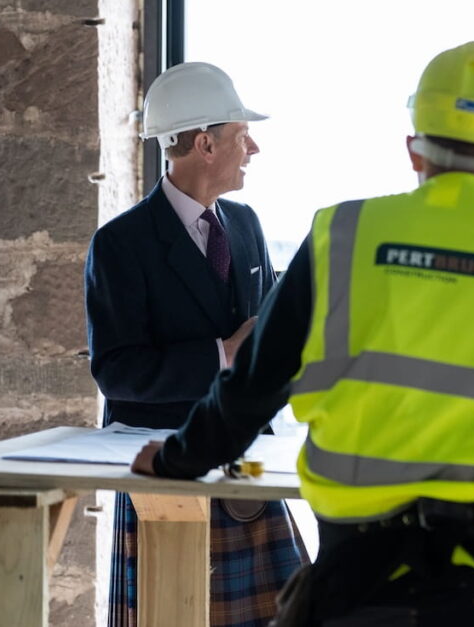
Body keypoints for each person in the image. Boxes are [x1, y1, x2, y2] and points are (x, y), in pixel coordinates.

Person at [130, 41, 474, 626]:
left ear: (414, 152)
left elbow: (255, 383)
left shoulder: (341, 236)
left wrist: (179, 459)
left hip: (358, 574)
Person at [84, 62, 308, 626]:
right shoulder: (120, 244)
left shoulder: (247, 224)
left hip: (246, 460)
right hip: (164, 468)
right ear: (206, 144)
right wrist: (224, 355)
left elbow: (275, 322)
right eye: (241, 135)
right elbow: (117, 373)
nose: (252, 148)